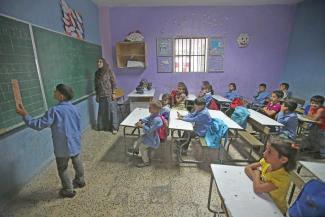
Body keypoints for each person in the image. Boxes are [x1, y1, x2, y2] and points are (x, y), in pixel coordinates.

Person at [16, 84, 85, 198]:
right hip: (75, 142)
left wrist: (25, 115)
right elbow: (76, 125)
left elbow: (38, 125)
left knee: (62, 168)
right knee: (77, 161)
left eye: (56, 91)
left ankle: (68, 190)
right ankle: (80, 181)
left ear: (61, 96)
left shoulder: (54, 111)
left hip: (62, 147)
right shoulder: (74, 108)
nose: (54, 92)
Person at [245, 136, 299, 214]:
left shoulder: (282, 178)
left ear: (283, 159)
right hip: (263, 199)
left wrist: (257, 174)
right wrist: (258, 180)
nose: (264, 153)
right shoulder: (267, 162)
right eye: (266, 149)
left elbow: (257, 188)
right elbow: (247, 168)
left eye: (269, 151)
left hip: (275, 210)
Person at [132, 99, 163, 167]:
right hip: (149, 136)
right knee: (140, 138)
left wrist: (142, 125)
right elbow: (148, 118)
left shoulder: (157, 120)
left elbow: (149, 130)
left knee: (142, 147)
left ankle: (146, 162)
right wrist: (142, 121)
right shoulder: (153, 115)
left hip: (152, 139)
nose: (148, 108)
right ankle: (136, 150)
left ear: (156, 110)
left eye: (150, 107)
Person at [95, 58, 119, 134]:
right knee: (103, 112)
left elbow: (114, 83)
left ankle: (114, 128)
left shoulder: (109, 71)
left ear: (104, 63)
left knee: (112, 111)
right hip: (101, 95)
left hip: (109, 94)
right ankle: (104, 127)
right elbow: (96, 85)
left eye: (100, 62)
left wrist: (114, 93)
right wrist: (97, 95)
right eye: (97, 62)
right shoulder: (96, 73)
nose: (98, 63)